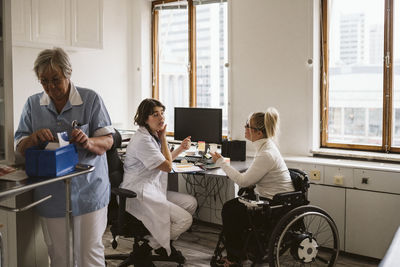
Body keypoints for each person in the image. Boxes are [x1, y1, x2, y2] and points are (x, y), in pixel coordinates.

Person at [14, 47, 114, 267]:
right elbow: (20, 146)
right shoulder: (33, 105)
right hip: (51, 194)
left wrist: (88, 142)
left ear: (68, 74)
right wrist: (33, 138)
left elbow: (108, 140)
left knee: (89, 254)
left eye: (55, 80)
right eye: (44, 81)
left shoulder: (90, 99)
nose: (50, 87)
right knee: (60, 256)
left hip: (89, 191)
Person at [210, 108, 294, 267]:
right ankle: (239, 253)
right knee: (232, 208)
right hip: (269, 198)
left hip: (275, 204)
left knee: (231, 210)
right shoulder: (265, 147)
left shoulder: (266, 153)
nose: (245, 128)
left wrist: (221, 162)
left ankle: (234, 258)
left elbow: (243, 181)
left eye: (248, 125)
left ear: (258, 133)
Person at [120, 98, 197, 260]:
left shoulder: (150, 135)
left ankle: (163, 244)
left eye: (162, 113)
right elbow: (167, 166)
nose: (161, 118)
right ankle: (145, 249)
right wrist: (163, 138)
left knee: (190, 203)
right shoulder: (144, 140)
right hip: (137, 194)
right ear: (144, 118)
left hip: (150, 189)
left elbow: (163, 161)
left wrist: (180, 149)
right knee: (185, 220)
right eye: (155, 114)